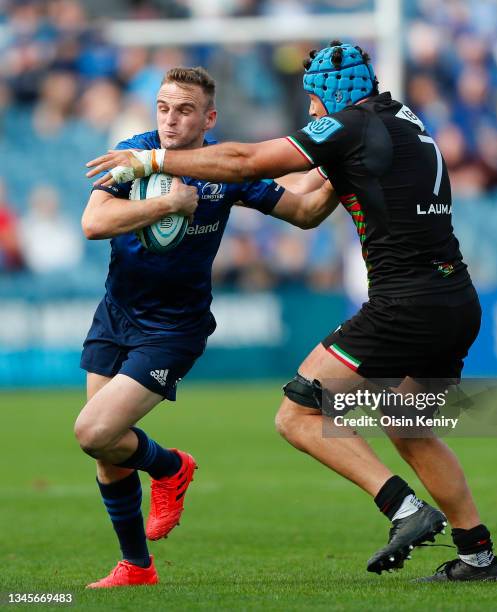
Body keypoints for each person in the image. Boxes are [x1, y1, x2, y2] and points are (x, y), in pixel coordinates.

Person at [87, 43, 497, 582]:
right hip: (454, 300)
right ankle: (477, 555)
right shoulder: (402, 120)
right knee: (408, 425)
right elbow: (307, 204)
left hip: (406, 304)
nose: (310, 112)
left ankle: (403, 508)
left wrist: (150, 164)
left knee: (299, 413)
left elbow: (248, 161)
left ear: (332, 95)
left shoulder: (350, 124)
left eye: (312, 100)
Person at [76, 66, 339, 588]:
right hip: (115, 313)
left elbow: (304, 211)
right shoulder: (136, 152)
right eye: (164, 108)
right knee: (108, 453)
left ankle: (170, 466)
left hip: (173, 328)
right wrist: (167, 204)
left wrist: (342, 172)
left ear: (208, 117)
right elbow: (93, 223)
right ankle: (137, 567)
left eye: (185, 110)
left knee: (94, 432)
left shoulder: (224, 170)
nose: (171, 121)